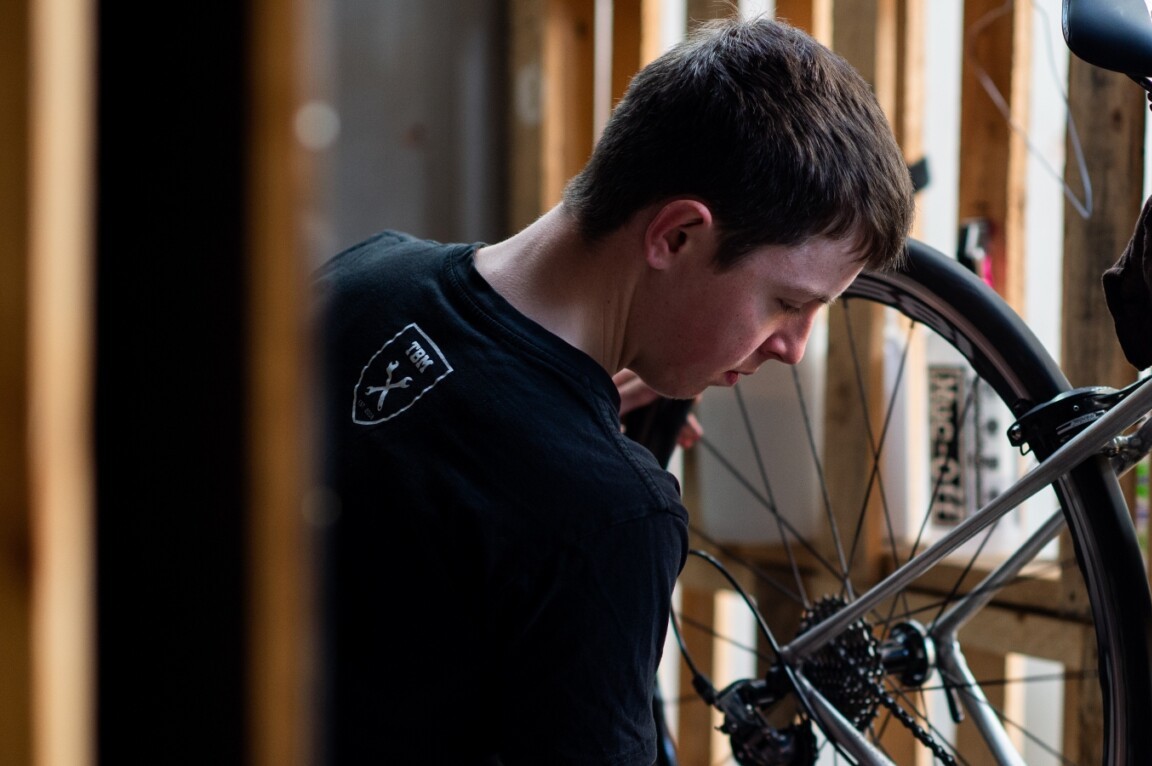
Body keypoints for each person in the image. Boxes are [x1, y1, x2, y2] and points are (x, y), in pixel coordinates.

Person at [314, 17, 914, 765]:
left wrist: (574, 430)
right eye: (789, 303)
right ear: (676, 237)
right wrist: (595, 475)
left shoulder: (362, 278)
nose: (793, 348)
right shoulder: (608, 515)